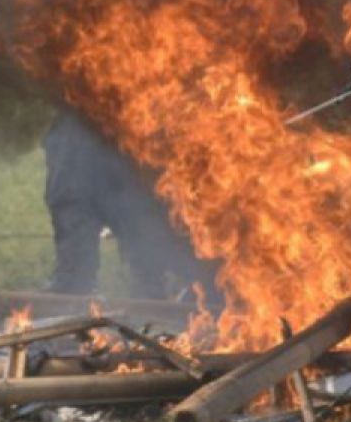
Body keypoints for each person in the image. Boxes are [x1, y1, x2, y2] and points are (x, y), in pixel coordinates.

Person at [44, 106, 220, 301]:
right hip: (86, 153)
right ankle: (73, 291)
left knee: (146, 240)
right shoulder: (72, 134)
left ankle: (166, 290)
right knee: (76, 269)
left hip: (127, 151)